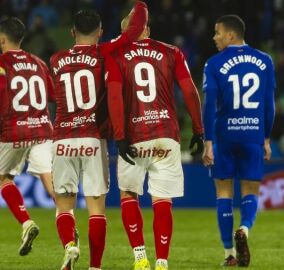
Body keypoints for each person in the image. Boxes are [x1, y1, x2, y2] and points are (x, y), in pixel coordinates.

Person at [49, 2, 148, 269]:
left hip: (62, 139)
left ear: (71, 32)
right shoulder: (104, 53)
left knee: (64, 205)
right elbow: (134, 29)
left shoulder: (56, 60)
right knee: (96, 209)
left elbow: (51, 95)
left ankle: (70, 245)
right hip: (93, 138)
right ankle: (94, 267)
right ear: (101, 31)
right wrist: (140, 5)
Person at [105, 19, 204, 270]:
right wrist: (198, 129)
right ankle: (162, 261)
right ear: (147, 29)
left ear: (124, 33)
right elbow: (190, 91)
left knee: (129, 194)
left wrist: (119, 136)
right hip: (166, 134)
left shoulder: (116, 55)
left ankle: (140, 258)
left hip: (134, 135)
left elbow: (114, 97)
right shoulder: (171, 52)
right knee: (162, 199)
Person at [201, 15, 275, 267]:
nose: (214, 37)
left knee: (223, 192)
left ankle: (229, 254)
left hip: (225, 136)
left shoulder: (213, 63)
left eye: (217, 33)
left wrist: (207, 141)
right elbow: (269, 105)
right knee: (250, 190)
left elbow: (209, 104)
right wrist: (266, 138)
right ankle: (244, 228)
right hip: (253, 134)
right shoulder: (265, 61)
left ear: (230, 35)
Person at [0, 17, 55, 256]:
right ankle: (67, 218)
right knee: (48, 176)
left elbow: (0, 87)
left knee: (4, 178)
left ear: (1, 38)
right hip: (43, 128)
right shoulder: (39, 63)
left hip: (14, 130)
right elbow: (54, 94)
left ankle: (26, 223)